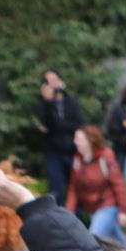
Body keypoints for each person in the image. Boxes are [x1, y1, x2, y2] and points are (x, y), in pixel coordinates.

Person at [66, 125, 126, 250]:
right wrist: (69, 211)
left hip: (108, 205)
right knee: (118, 242)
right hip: (93, 209)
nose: (75, 142)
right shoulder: (77, 160)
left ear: (90, 140)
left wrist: (123, 210)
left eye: (79, 139)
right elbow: (73, 188)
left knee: (93, 240)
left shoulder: (105, 156)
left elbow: (118, 184)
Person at [34, 69, 89, 203]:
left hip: (72, 150)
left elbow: (80, 124)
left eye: (54, 80)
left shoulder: (72, 102)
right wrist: (48, 102)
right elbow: (46, 126)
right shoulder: (41, 104)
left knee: (75, 188)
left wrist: (60, 125)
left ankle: (77, 220)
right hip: (53, 151)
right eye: (48, 82)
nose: (52, 84)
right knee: (56, 189)